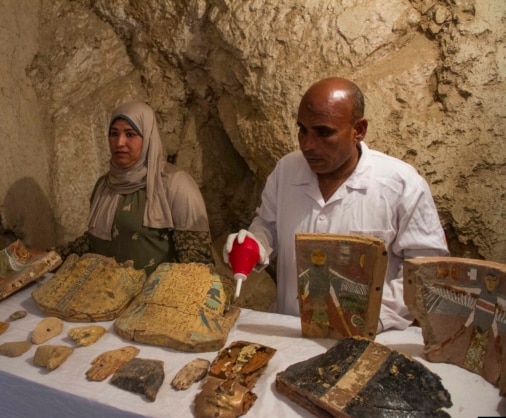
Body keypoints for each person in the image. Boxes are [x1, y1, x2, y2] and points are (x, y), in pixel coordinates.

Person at [223, 77, 449, 331]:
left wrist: (367, 316)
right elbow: (268, 225)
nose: (308, 145)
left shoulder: (400, 185)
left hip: (369, 339)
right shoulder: (287, 171)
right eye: (302, 130)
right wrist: (256, 244)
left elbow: (427, 272)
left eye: (323, 132)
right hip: (290, 333)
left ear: (358, 130)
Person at [57, 100, 214, 275]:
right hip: (106, 295)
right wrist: (53, 257)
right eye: (114, 134)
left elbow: (197, 263)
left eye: (130, 134)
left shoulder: (175, 184)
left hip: (154, 298)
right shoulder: (105, 185)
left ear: (147, 138)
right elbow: (95, 241)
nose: (119, 143)